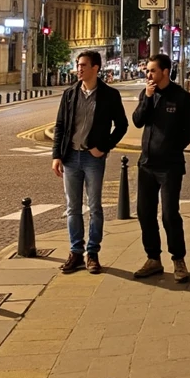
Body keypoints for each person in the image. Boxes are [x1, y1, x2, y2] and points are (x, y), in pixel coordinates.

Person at [51, 50, 129, 273]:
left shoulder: (109, 95)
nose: (79, 68)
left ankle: (92, 253)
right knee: (72, 207)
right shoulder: (69, 94)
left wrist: (103, 147)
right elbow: (60, 126)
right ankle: (76, 251)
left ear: (96, 68)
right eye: (78, 64)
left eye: (83, 65)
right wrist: (56, 155)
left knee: (95, 207)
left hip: (92, 158)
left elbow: (122, 125)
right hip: (70, 157)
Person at [132, 53, 190, 282]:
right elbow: (138, 121)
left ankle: (178, 259)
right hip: (146, 165)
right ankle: (153, 258)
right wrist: (147, 98)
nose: (148, 75)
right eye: (147, 71)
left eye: (152, 71)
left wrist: (173, 148)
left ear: (165, 72)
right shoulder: (147, 93)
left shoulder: (180, 97)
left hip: (170, 166)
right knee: (144, 213)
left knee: (170, 214)